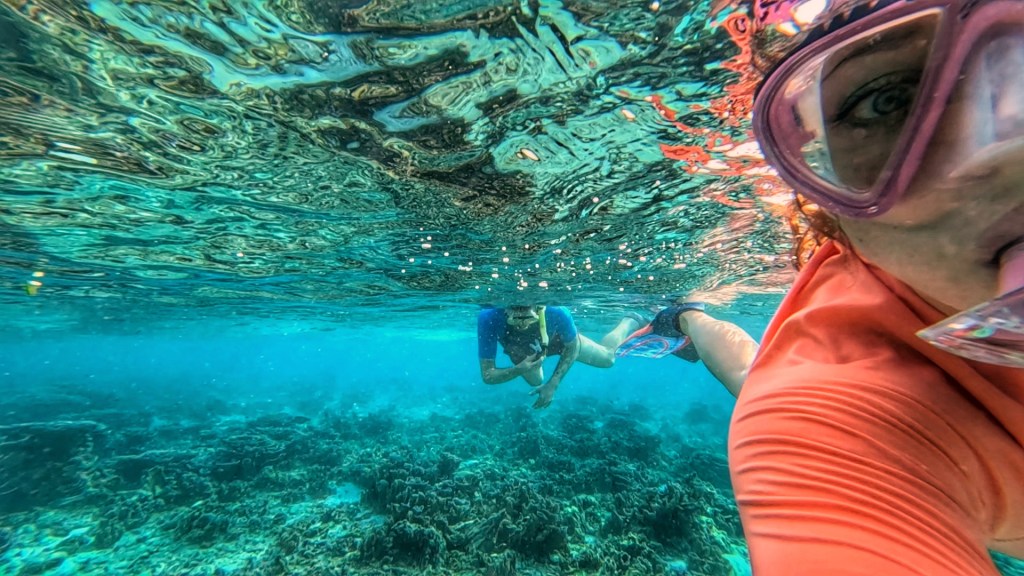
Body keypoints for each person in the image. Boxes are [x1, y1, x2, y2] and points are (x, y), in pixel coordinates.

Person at [680, 1, 1024, 573]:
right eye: (886, 100)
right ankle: (688, 317)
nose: (1010, 151)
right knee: (754, 376)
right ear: (821, 201)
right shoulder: (830, 412)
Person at [477, 305, 642, 409]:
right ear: (505, 311)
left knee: (607, 359)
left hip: (558, 339)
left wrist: (553, 384)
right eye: (515, 320)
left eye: (528, 318)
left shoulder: (557, 311)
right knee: (535, 381)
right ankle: (532, 365)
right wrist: (518, 369)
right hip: (520, 349)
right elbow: (488, 376)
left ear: (539, 309)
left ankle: (630, 320)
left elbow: (572, 346)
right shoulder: (489, 316)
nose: (523, 324)